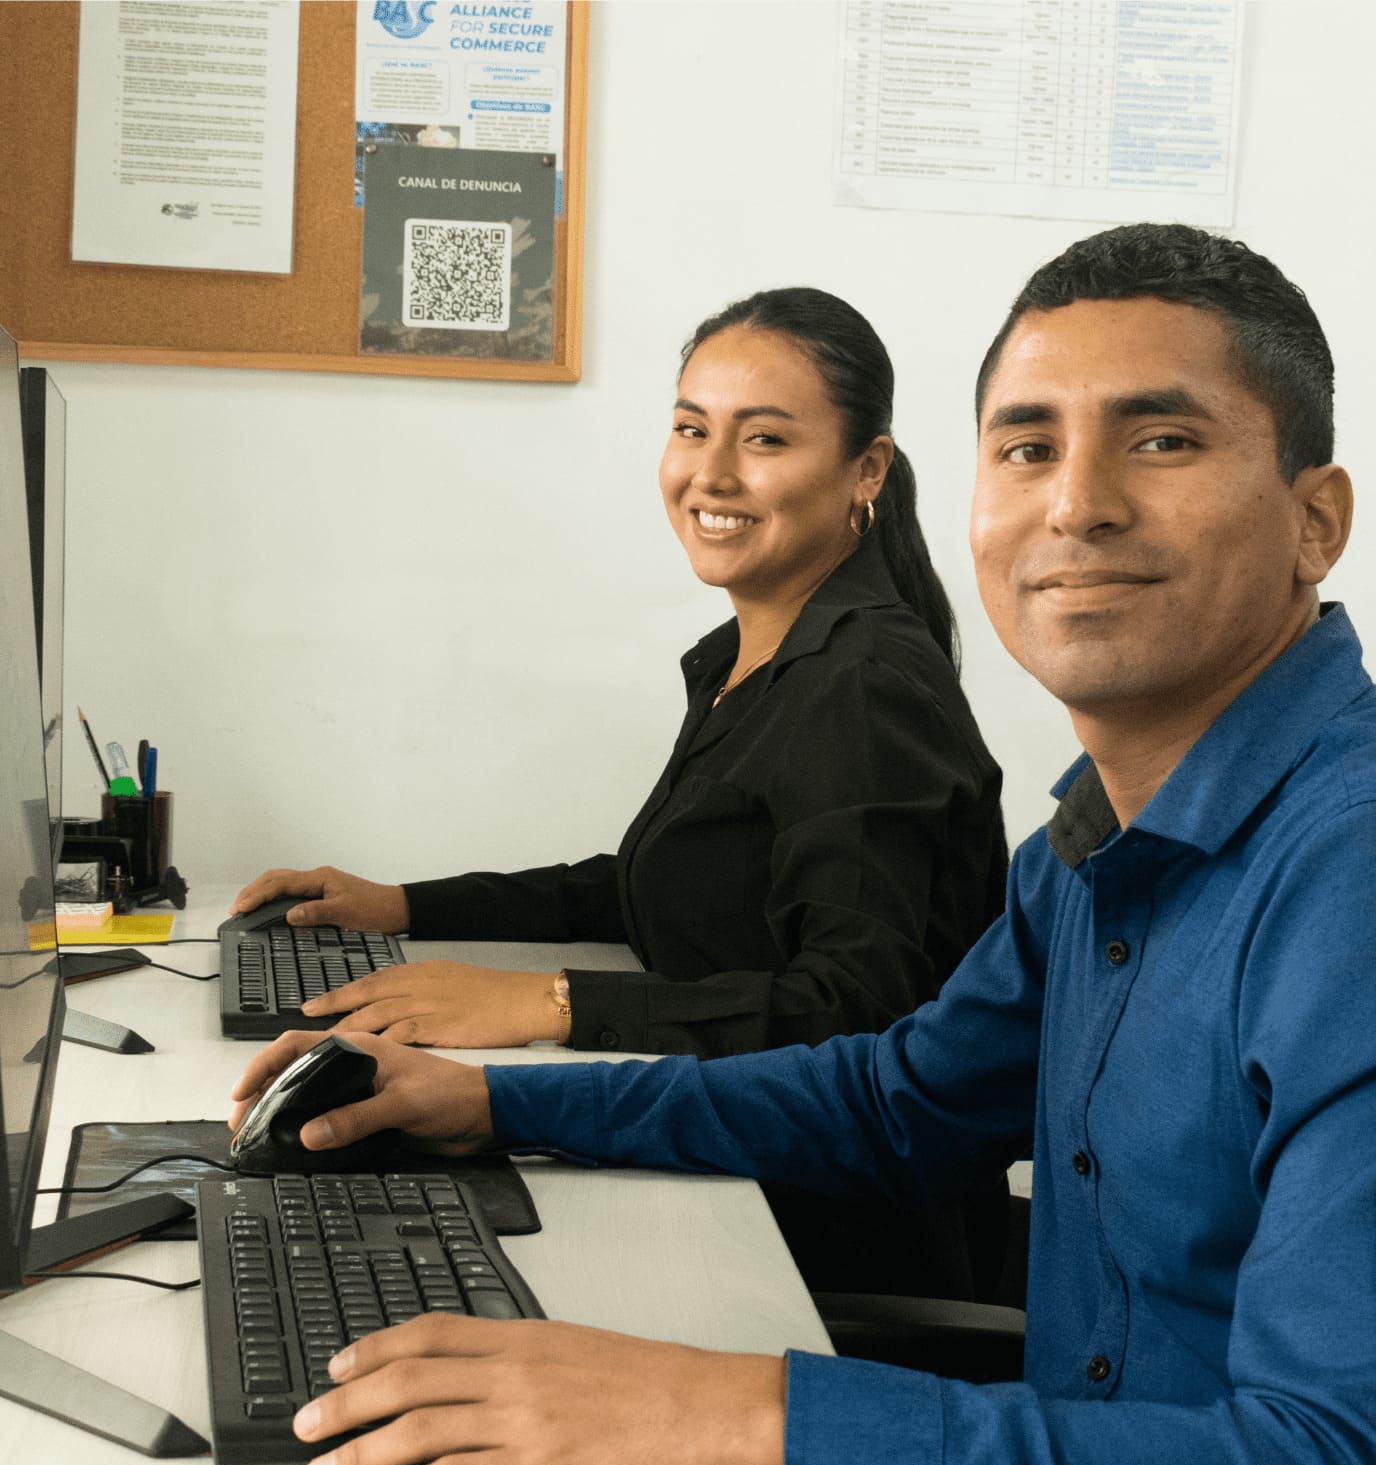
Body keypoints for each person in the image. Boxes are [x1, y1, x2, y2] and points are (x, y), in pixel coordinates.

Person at [228, 223, 1375, 1465]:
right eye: (1025, 447)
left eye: (1162, 441)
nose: (1077, 504)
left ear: (1316, 518)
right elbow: (896, 1099)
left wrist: (741, 1417)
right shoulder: (1094, 843)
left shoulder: (1345, 878)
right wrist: (499, 1103)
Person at [231, 287, 1007, 1063]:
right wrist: (401, 905)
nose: (710, 474)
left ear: (867, 469)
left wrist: (547, 1001)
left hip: (813, 1178)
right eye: (691, 429)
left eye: (764, 440)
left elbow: (853, 1007)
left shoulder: (863, 684)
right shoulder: (751, 658)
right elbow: (672, 887)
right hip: (724, 1115)